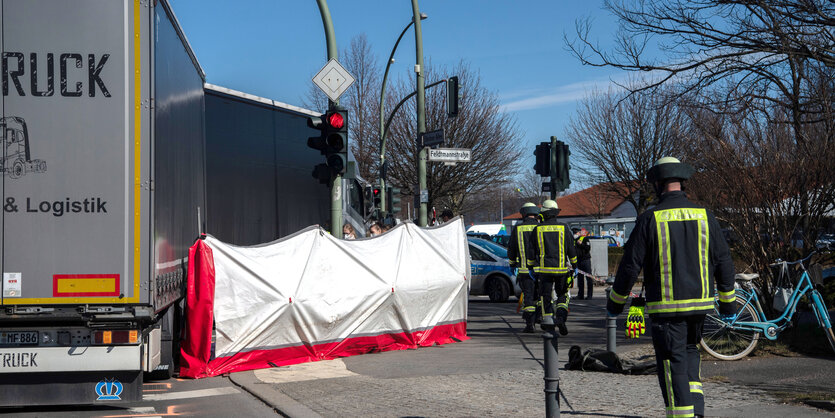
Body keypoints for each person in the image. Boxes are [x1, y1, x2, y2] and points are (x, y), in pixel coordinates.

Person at [607, 157, 737, 418]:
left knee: (671, 364)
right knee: (691, 355)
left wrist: (615, 302)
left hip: (667, 311)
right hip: (699, 307)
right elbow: (724, 261)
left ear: (658, 184)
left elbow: (630, 266)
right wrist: (727, 304)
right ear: (682, 183)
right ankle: (697, 412)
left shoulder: (649, 219)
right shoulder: (706, 216)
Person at [526, 199, 577, 335]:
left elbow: (531, 252)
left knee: (545, 296)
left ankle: (548, 321)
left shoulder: (537, 229)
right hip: (561, 270)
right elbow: (571, 249)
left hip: (544, 271)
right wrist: (575, 265)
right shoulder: (564, 228)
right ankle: (560, 317)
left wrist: (530, 267)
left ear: (543, 214)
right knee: (562, 295)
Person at [507, 202, 540, 333]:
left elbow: (512, 249)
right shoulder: (541, 227)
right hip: (541, 270)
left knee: (529, 297)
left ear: (524, 213)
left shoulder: (518, 228)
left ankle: (530, 324)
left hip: (525, 270)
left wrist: (512, 264)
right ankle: (541, 318)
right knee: (541, 296)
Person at [573, 228, 593, 300]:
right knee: (580, 279)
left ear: (579, 233)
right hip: (578, 260)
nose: (575, 234)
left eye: (576, 233)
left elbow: (588, 248)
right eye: (574, 233)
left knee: (589, 278)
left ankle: (589, 295)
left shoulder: (584, 239)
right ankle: (580, 295)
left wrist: (581, 244)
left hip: (586, 260)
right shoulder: (574, 240)